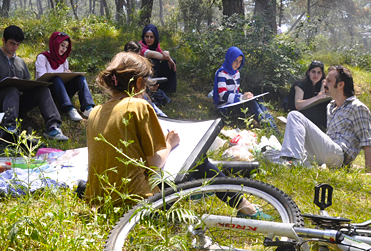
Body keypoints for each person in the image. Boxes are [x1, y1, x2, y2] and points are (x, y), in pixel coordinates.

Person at [85, 52, 270, 219]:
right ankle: (244, 207)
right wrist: (169, 143)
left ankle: (225, 199)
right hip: (138, 203)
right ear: (140, 83)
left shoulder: (95, 112)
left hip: (101, 202)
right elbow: (154, 162)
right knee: (199, 159)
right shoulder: (138, 106)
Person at [0, 25, 68, 141]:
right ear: (3, 40)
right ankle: (10, 128)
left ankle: (52, 127)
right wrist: (6, 83)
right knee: (12, 89)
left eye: (17, 44)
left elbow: (27, 85)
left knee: (42, 90)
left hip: (18, 102)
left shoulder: (20, 62)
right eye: (12, 43)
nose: (15, 47)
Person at [279, 65, 371, 170]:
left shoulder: (357, 107)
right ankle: (303, 165)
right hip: (327, 151)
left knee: (294, 115)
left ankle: (292, 162)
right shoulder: (331, 106)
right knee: (271, 153)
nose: (324, 83)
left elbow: (367, 141)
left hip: (339, 155)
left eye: (329, 81)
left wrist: (369, 171)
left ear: (340, 84)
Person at [212, 46, 279, 133]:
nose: (237, 64)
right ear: (229, 59)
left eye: (240, 61)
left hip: (234, 103)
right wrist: (242, 98)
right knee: (250, 102)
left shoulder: (237, 73)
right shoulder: (222, 73)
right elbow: (223, 95)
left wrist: (245, 95)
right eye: (235, 60)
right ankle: (269, 128)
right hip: (225, 107)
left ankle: (272, 126)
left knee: (257, 99)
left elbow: (235, 92)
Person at [34, 31, 94, 122]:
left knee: (80, 78)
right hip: (48, 93)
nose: (64, 49)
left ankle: (88, 108)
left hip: (63, 92)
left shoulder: (64, 61)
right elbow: (42, 79)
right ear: (55, 43)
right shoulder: (43, 58)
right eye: (62, 45)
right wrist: (58, 76)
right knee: (56, 78)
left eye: (66, 47)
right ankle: (69, 109)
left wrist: (68, 75)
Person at [283, 61, 329, 131]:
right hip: (298, 113)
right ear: (308, 73)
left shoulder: (320, 84)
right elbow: (298, 104)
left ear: (322, 74)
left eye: (319, 72)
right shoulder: (300, 84)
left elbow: (322, 98)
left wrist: (323, 85)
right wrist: (316, 97)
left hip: (312, 112)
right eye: (313, 72)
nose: (316, 75)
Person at [138, 24, 177, 94]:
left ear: (155, 38)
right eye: (147, 36)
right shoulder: (139, 46)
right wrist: (167, 57)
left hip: (156, 72)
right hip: (145, 74)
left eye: (151, 37)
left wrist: (167, 55)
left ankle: (168, 90)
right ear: (143, 37)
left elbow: (162, 54)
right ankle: (151, 88)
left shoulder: (156, 46)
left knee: (168, 62)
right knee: (153, 60)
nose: (149, 39)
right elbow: (151, 54)